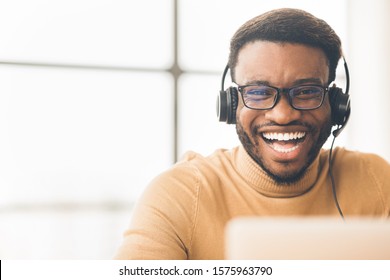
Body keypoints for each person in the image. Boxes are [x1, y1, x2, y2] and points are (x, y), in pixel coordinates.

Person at [114, 8, 390, 260]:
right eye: (258, 92)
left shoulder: (376, 180)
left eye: (306, 92)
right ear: (231, 103)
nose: (283, 115)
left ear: (336, 104)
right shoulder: (179, 195)